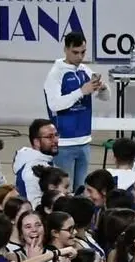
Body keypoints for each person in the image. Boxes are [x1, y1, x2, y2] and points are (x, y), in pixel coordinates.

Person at [44, 31, 109, 191]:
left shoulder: (85, 70)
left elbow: (106, 97)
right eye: (75, 52)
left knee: (81, 191)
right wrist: (81, 91)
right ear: (66, 49)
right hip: (65, 142)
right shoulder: (56, 74)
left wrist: (103, 87)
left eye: (83, 52)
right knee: (64, 192)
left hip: (84, 141)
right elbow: (54, 104)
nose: (80, 57)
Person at [14, 118, 59, 207]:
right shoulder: (31, 171)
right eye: (50, 137)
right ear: (36, 142)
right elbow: (34, 207)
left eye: (56, 135)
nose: (55, 140)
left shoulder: (46, 161)